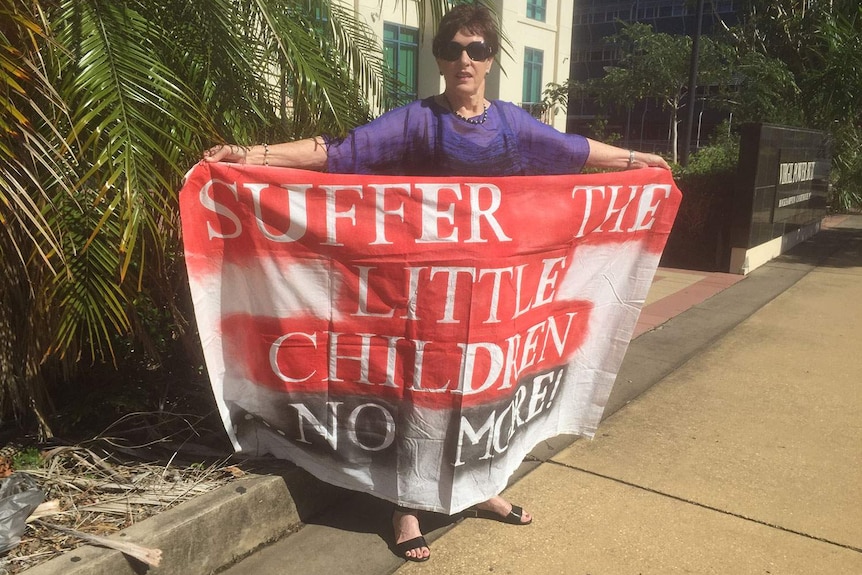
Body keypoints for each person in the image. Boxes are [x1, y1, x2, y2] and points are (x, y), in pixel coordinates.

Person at [204, 4, 670, 563]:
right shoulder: (418, 120)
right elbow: (340, 151)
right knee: (418, 393)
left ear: (492, 58)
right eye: (452, 50)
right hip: (423, 293)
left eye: (475, 49)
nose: (464, 60)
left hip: (495, 298)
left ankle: (483, 488)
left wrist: (635, 161)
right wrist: (250, 158)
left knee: (486, 390)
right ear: (440, 59)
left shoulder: (510, 124)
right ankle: (406, 508)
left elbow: (571, 150)